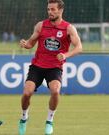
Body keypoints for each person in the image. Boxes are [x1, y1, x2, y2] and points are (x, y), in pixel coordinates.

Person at [18, 0, 82, 135]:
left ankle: (49, 121)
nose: (50, 12)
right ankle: (24, 118)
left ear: (60, 11)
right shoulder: (41, 25)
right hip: (37, 66)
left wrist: (65, 55)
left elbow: (79, 48)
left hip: (54, 68)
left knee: (55, 91)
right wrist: (25, 44)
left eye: (53, 9)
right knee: (26, 93)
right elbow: (31, 43)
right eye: (48, 9)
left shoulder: (68, 28)